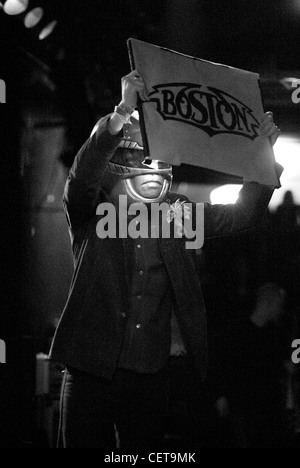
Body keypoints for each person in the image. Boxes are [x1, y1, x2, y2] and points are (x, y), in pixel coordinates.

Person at [49, 70, 282, 448]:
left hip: (149, 375)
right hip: (91, 367)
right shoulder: (93, 207)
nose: (149, 163)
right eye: (139, 153)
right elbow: (82, 175)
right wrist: (123, 111)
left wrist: (262, 153)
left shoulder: (176, 213)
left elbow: (242, 215)